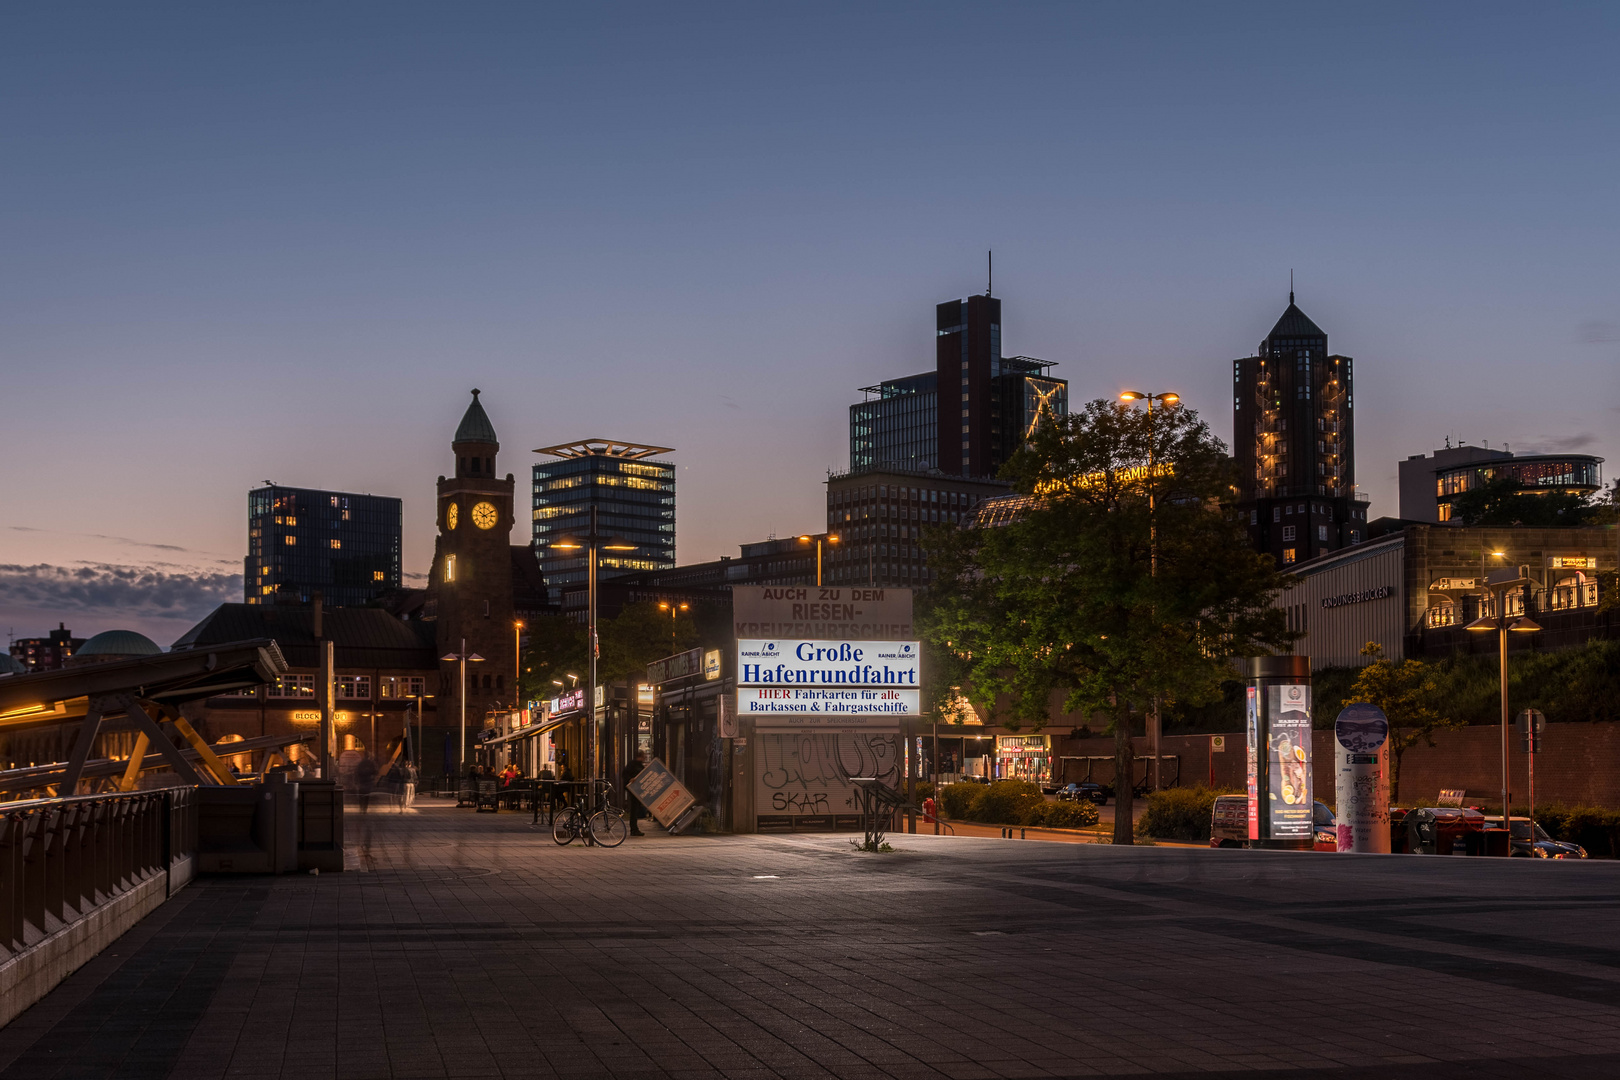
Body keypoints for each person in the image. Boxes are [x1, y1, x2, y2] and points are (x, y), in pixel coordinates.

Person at [623, 750, 648, 836]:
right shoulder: (633, 764)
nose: (645, 757)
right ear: (640, 756)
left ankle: (634, 828)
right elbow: (625, 774)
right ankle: (634, 829)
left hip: (637, 789)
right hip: (633, 789)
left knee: (635, 808)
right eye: (644, 755)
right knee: (634, 808)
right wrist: (630, 779)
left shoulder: (638, 765)